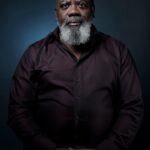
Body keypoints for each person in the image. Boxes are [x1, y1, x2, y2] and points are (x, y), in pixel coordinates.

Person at [8, 0, 144, 150]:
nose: (73, 11)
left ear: (92, 11)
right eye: (65, 5)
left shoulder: (118, 52)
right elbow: (18, 110)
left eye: (81, 5)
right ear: (56, 14)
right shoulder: (34, 54)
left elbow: (132, 107)